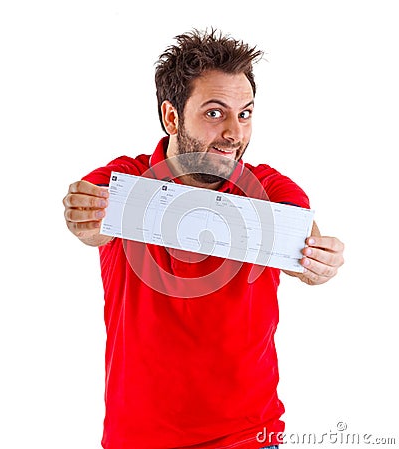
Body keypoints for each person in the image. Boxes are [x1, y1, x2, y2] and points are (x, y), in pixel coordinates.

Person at [63, 29, 344, 449]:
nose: (235, 133)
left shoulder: (268, 186)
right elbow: (92, 221)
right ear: (172, 117)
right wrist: (82, 217)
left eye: (245, 114)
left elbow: (301, 243)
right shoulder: (126, 179)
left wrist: (317, 261)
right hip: (138, 439)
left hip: (250, 436)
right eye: (215, 113)